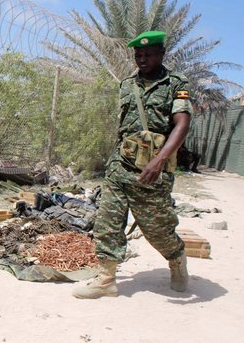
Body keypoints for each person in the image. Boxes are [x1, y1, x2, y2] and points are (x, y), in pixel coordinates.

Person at [72, 31, 192, 299]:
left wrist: (159, 161)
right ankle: (106, 279)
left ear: (161, 54)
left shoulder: (175, 84)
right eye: (138, 54)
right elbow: (124, 126)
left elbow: (182, 125)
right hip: (120, 166)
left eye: (148, 54)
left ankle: (177, 259)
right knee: (108, 221)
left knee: (157, 230)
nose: (142, 58)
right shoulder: (127, 84)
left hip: (153, 172)